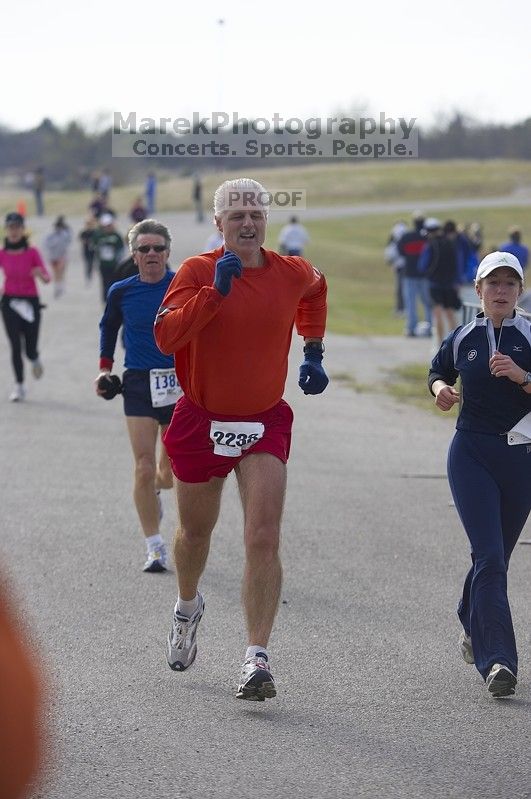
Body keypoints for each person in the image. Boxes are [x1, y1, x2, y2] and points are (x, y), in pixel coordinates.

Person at [154, 177, 329, 701]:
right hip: (201, 419)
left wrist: (314, 350)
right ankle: (188, 606)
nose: (247, 223)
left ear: (266, 220)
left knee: (263, 535)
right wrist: (214, 295)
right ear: (219, 224)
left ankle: (257, 658)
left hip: (264, 421)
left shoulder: (291, 270)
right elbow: (165, 337)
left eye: (255, 214)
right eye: (236, 216)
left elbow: (317, 289)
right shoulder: (195, 271)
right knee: (195, 534)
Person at [428, 251, 531, 699]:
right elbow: (436, 370)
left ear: (520, 291)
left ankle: (472, 613)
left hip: (521, 457)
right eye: (494, 283)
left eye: (510, 283)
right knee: (489, 556)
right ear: (478, 290)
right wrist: (442, 390)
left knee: (495, 559)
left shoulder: (530, 335)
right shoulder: (464, 335)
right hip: (470, 453)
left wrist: (523, 377)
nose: (502, 291)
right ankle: (498, 663)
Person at [95, 219, 180, 572]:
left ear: (167, 252)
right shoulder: (122, 290)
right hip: (139, 382)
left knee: (169, 472)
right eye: (144, 249)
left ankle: (159, 489)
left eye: (158, 248)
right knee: (144, 468)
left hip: (180, 383)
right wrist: (104, 368)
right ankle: (155, 546)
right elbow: (108, 326)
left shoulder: (183, 285)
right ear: (133, 254)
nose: (151, 254)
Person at [0, 212, 51, 402]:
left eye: (17, 227)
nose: (13, 231)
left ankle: (35, 358)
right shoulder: (2, 253)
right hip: (10, 303)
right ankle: (19, 385)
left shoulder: (32, 252)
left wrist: (39, 274)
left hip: (30, 302)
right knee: (15, 345)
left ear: (23, 229)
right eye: (10, 228)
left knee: (29, 349)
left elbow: (47, 279)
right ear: (7, 230)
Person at [418, 218, 462, 344]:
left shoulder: (430, 245)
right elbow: (457, 263)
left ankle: (439, 343)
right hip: (449, 283)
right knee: (450, 313)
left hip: (435, 283)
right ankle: (456, 341)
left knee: (437, 314)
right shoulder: (450, 243)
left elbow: (422, 265)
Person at [398, 211, 432, 337]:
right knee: (428, 302)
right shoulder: (427, 237)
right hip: (424, 275)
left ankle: (411, 328)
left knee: (411, 303)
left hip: (409, 274)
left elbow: (400, 251)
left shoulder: (406, 237)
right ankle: (429, 327)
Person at [92, 213, 124, 303]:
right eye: (106, 226)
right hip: (103, 264)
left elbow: (121, 248)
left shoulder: (116, 235)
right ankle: (105, 299)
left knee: (114, 281)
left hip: (114, 263)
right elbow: (94, 247)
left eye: (109, 225)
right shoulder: (98, 235)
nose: (108, 227)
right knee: (104, 282)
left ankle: (114, 298)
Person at [44, 215, 72, 298]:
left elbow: (68, 242)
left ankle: (60, 287)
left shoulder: (64, 234)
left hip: (61, 256)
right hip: (53, 257)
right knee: (56, 273)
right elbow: (46, 244)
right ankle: (58, 287)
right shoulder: (51, 235)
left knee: (60, 273)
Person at [384, 220, 407, 315]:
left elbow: (390, 255)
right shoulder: (401, 233)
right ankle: (401, 308)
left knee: (401, 289)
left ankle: (401, 308)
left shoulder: (397, 234)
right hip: (401, 266)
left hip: (402, 266)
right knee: (401, 288)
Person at [79, 215, 98, 285]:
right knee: (88, 263)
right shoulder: (84, 233)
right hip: (86, 251)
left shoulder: (95, 232)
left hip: (94, 250)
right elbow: (81, 240)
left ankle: (92, 275)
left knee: (93, 263)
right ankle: (88, 276)